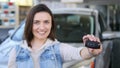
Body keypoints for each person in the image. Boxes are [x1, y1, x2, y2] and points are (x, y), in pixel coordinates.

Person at [8, 4, 102, 68]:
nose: (42, 27)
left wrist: (91, 51)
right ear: (29, 24)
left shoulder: (57, 49)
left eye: (46, 22)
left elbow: (78, 53)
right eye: (36, 22)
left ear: (51, 24)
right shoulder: (16, 51)